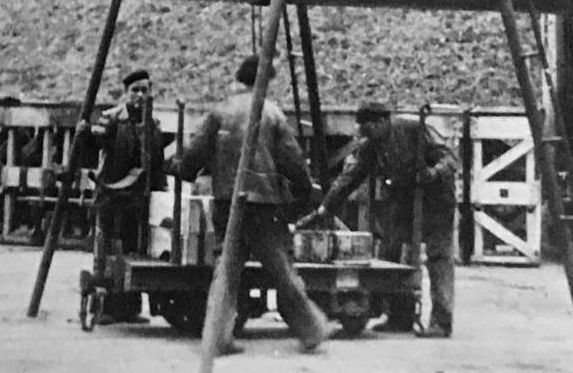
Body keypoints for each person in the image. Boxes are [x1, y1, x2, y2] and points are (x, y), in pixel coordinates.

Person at [172, 55, 329, 355]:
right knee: (281, 269)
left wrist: (181, 170)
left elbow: (193, 156)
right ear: (264, 80)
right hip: (264, 204)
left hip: (227, 202)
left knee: (226, 271)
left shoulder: (220, 112)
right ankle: (311, 329)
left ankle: (217, 337)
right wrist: (303, 190)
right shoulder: (272, 113)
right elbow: (292, 159)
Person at [300, 100, 457, 337]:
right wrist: (325, 208)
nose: (367, 136)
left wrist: (432, 174)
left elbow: (450, 159)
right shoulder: (373, 144)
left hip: (437, 200)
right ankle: (400, 316)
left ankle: (442, 322)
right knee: (391, 252)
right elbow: (350, 178)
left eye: (369, 129)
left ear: (382, 122)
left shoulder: (413, 129)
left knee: (439, 256)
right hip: (405, 199)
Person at [90, 67, 165, 323]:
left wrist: (160, 193)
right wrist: (89, 134)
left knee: (135, 251)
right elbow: (93, 145)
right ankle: (104, 307)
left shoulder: (153, 124)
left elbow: (157, 163)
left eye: (145, 90)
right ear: (125, 93)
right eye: (135, 90)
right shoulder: (111, 119)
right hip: (112, 194)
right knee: (108, 249)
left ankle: (130, 308)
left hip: (139, 198)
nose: (140, 96)